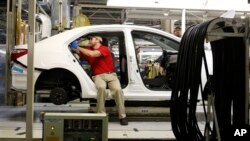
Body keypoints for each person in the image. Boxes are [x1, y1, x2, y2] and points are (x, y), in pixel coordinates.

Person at [69, 36, 128, 125]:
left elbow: (92, 54)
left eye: (92, 38)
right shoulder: (88, 49)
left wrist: (77, 46)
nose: (90, 40)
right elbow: (79, 52)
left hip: (111, 75)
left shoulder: (104, 49)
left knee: (118, 90)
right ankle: (101, 114)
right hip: (98, 76)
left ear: (98, 41)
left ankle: (122, 116)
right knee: (101, 88)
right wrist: (71, 46)